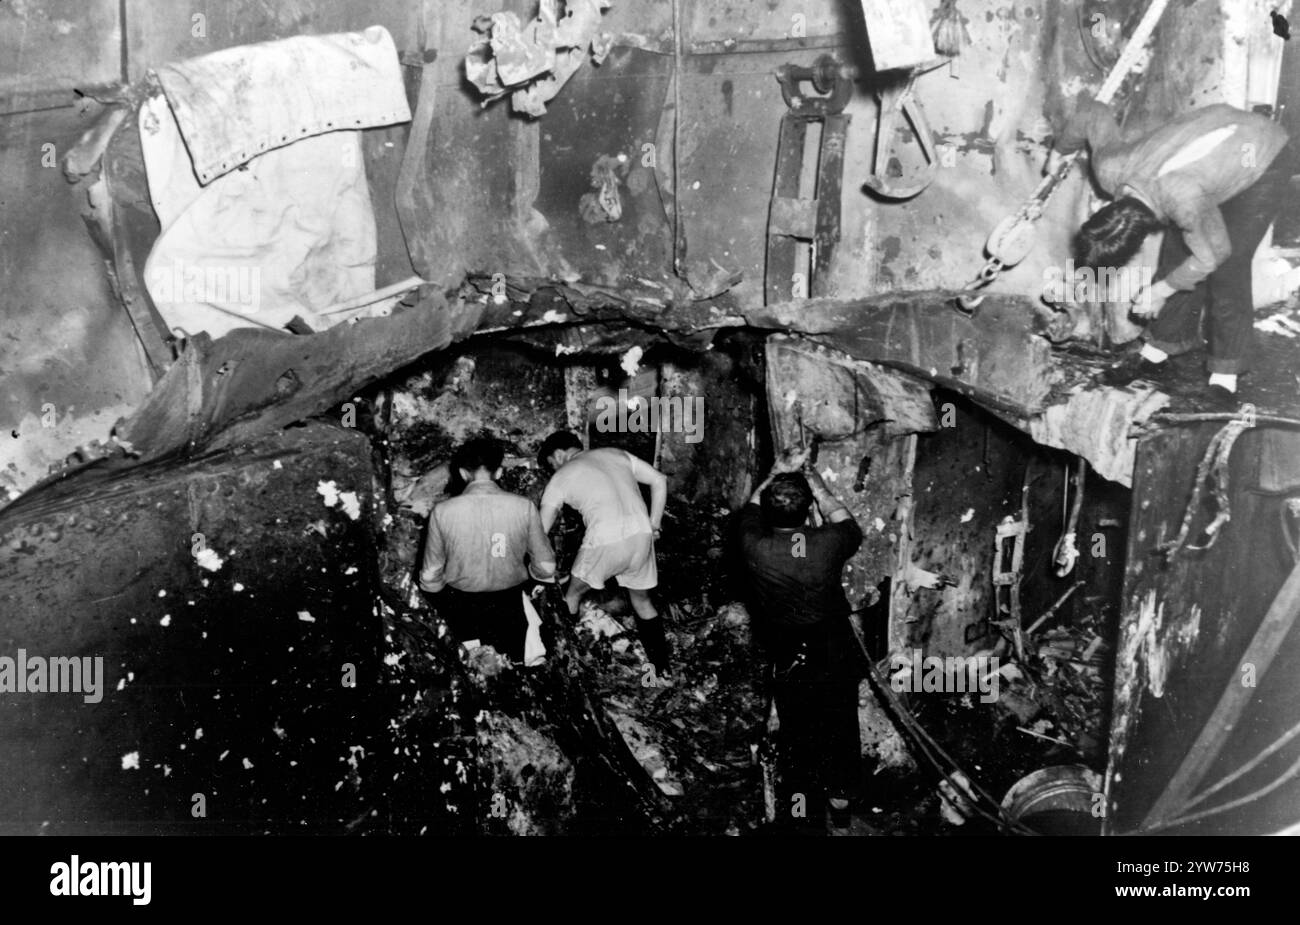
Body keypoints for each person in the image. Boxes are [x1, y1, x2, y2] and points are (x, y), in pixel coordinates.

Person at [1052, 96, 1292, 403]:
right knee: (1178, 250)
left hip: (1261, 155)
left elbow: (1215, 254)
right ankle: (1160, 348)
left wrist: (1161, 290)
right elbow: (1092, 113)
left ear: (1139, 239)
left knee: (1227, 266)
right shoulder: (1110, 167)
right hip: (1215, 145)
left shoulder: (1183, 200)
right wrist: (1059, 151)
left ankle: (1225, 374)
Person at [738, 448, 864, 832]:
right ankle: (840, 808)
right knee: (842, 727)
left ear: (767, 515)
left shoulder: (751, 544)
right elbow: (841, 514)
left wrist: (775, 470)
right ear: (808, 510)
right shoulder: (829, 543)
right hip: (834, 645)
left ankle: (803, 816)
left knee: (799, 732)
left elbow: (751, 504)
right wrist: (815, 483)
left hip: (789, 650)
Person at [536, 431, 671, 678]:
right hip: (641, 534)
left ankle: (568, 666)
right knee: (642, 602)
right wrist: (654, 524)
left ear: (558, 454)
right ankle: (660, 671)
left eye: (551, 464)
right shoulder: (616, 453)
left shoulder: (561, 476)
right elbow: (659, 479)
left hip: (605, 539)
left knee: (572, 595)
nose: (552, 469)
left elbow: (541, 529)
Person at [418, 438, 556, 662]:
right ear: (499, 472)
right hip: (508, 605)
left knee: (472, 674)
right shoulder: (524, 507)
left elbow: (430, 574)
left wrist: (436, 595)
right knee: (512, 669)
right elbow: (546, 565)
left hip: (462, 607)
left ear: (463, 473)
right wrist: (536, 578)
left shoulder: (442, 511)